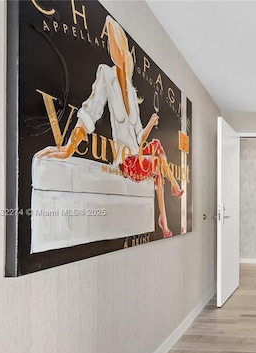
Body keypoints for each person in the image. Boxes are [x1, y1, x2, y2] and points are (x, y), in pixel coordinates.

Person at [37, 16, 183, 238]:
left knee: (156, 148)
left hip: (137, 158)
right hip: (125, 162)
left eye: (113, 42)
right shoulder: (106, 73)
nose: (110, 48)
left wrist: (151, 124)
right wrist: (69, 147)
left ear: (121, 46)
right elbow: (91, 111)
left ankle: (164, 213)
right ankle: (171, 195)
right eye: (109, 43)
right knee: (158, 161)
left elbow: (139, 140)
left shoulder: (132, 94)